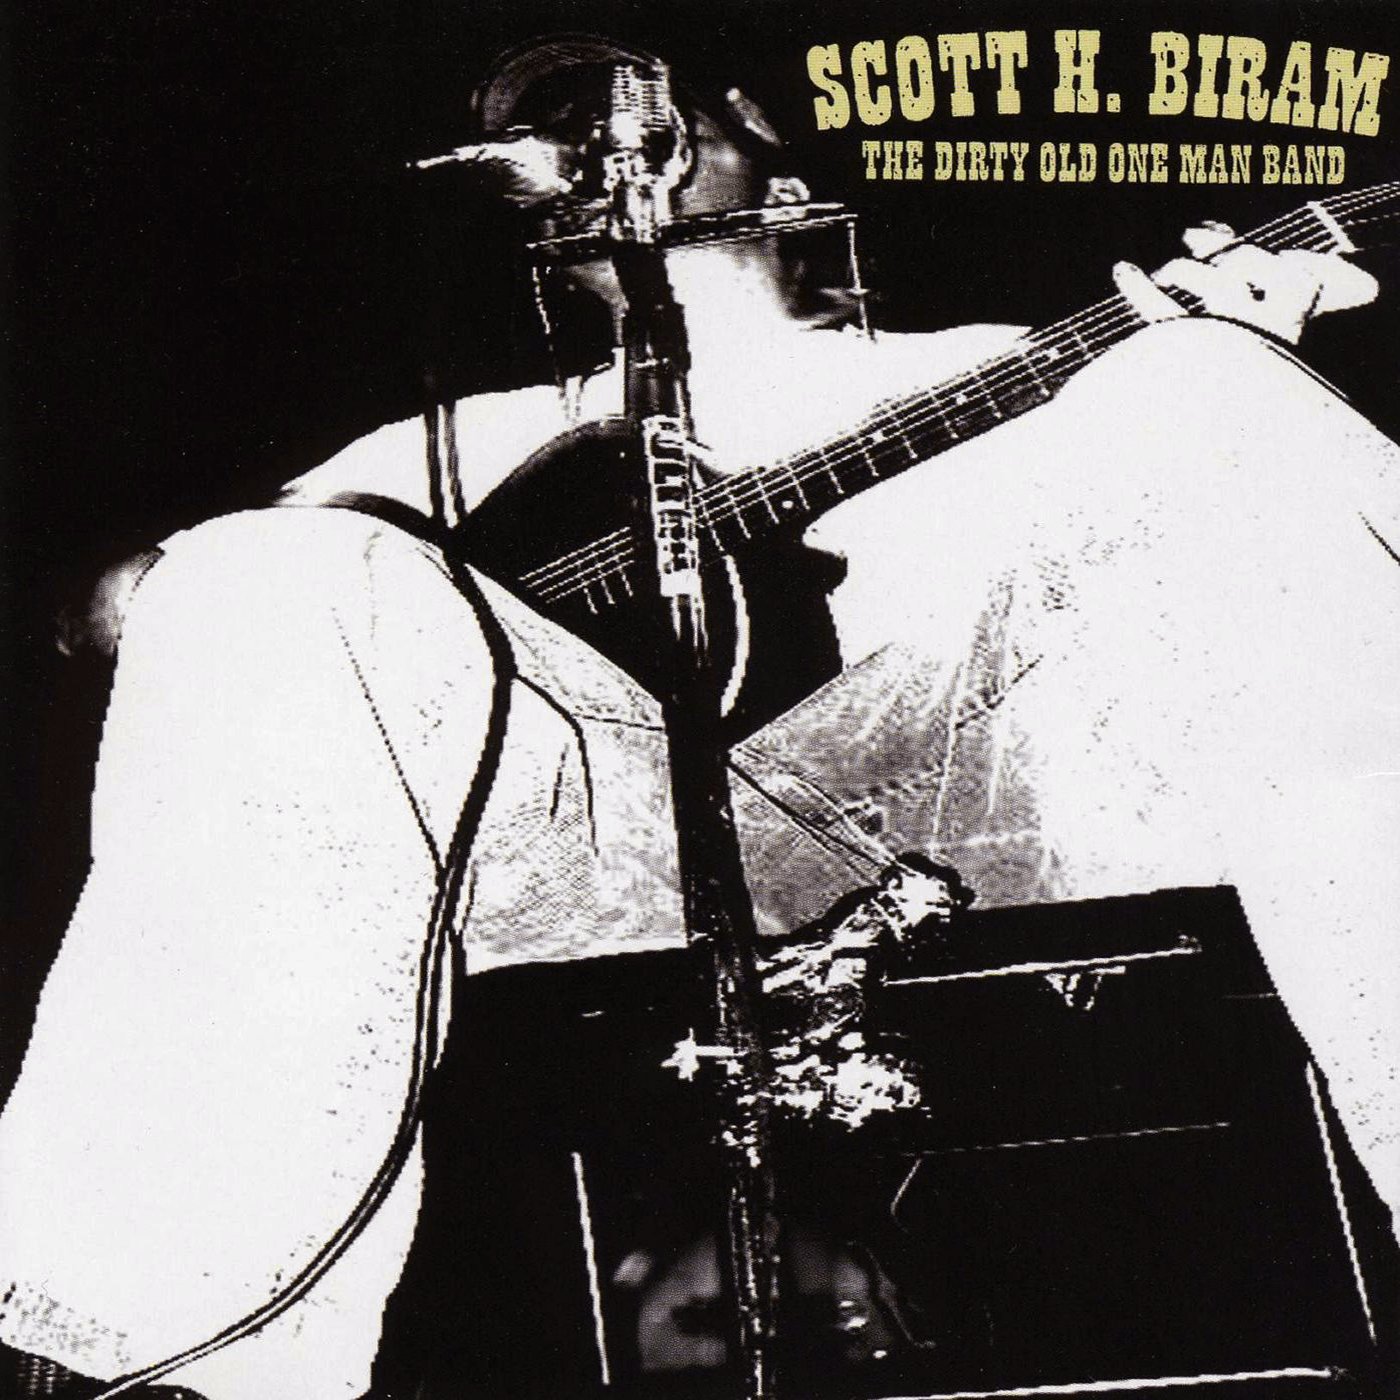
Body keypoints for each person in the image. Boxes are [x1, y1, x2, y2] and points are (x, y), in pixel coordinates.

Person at [2, 32, 1397, 1400]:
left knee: (1207, 385)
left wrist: (1236, 343)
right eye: (556, 131)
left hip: (979, 810)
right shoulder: (452, 447)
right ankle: (163, 1347)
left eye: (636, 107)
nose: (606, 151)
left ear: (758, 136)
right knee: (266, 570)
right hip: (603, 842)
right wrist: (174, 594)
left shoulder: (1013, 358)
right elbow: (116, 620)